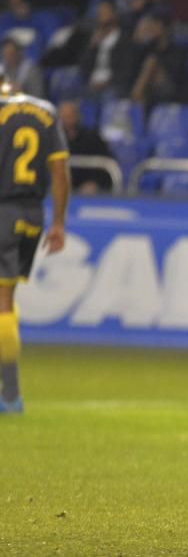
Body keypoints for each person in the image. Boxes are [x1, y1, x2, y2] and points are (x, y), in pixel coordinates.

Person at [0, 68, 70, 414]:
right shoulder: (44, 111)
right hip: (32, 215)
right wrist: (58, 222)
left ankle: (10, 395)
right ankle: (10, 392)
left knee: (2, 302)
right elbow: (60, 171)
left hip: (2, 211)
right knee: (6, 299)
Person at [58, 99, 114, 194]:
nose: (66, 120)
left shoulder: (92, 138)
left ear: (77, 116)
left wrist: (95, 183)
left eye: (69, 116)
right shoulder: (54, 141)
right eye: (63, 117)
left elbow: (105, 165)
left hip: (88, 191)